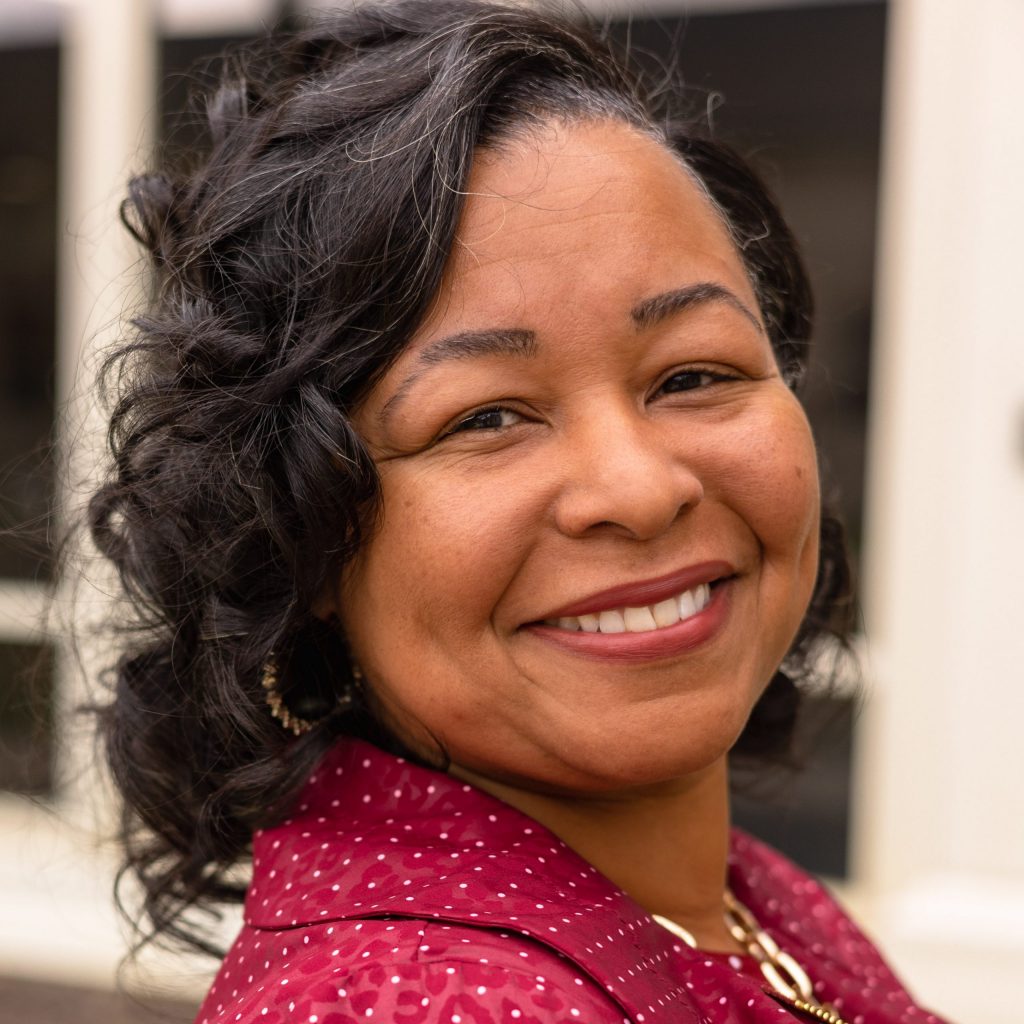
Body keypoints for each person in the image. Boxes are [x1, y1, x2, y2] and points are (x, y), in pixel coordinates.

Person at [87, 2, 950, 1022]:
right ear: (301, 535)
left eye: (691, 374)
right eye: (487, 415)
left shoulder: (751, 900)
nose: (637, 488)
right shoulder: (408, 999)